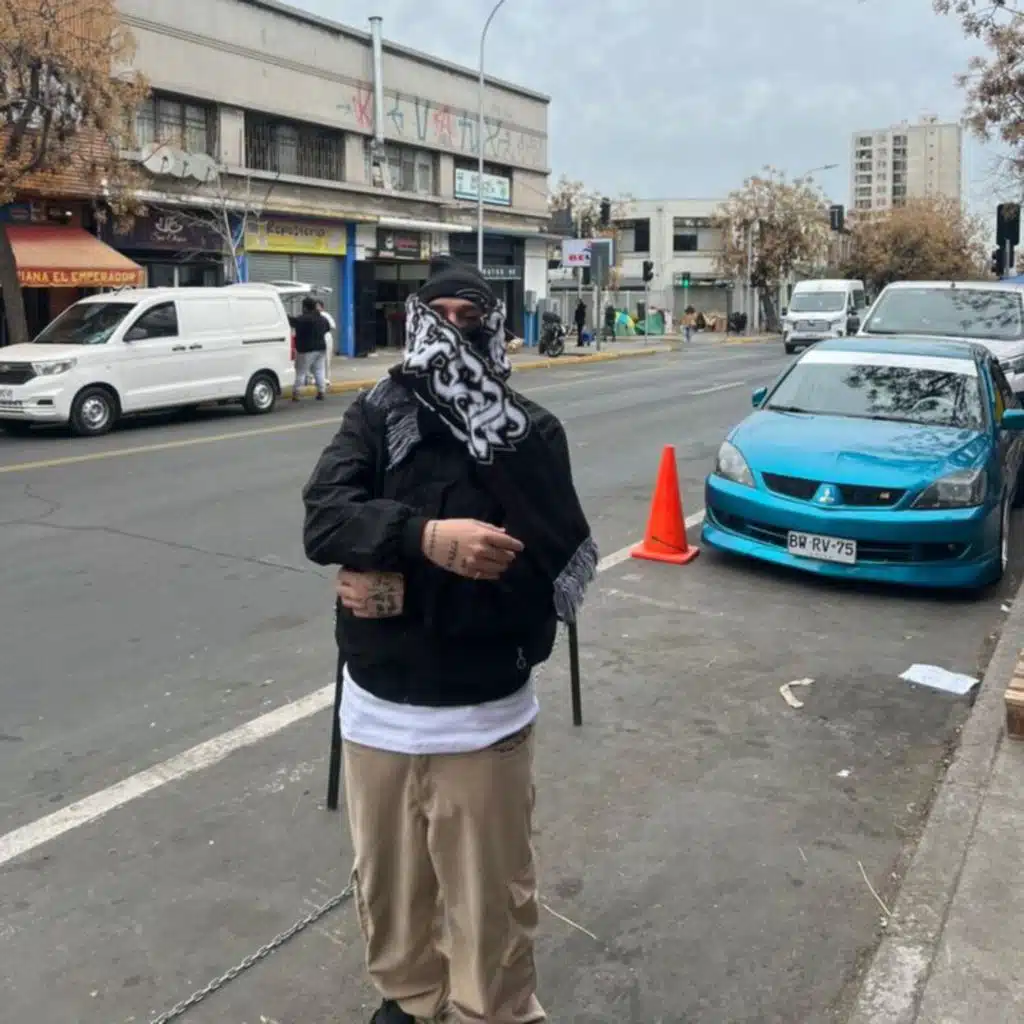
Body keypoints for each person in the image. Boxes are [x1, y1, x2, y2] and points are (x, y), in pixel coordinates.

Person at [302, 258, 597, 1024]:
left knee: (491, 913)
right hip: (376, 717)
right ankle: (411, 1002)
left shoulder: (529, 435)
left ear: (494, 326)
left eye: (471, 317)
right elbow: (324, 518)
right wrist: (422, 540)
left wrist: (401, 583)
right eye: (440, 317)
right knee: (390, 901)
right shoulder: (379, 413)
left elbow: (545, 585)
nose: (454, 333)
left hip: (480, 725)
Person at [290, 297, 330, 402]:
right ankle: (321, 392)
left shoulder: (303, 319)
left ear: (304, 307)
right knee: (319, 370)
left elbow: (292, 322)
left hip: (306, 350)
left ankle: (296, 393)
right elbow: (327, 328)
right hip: (321, 348)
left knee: (301, 371)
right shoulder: (322, 318)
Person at [317, 299, 337, 387]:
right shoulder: (313, 316)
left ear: (322, 307)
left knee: (326, 359)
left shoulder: (326, 315)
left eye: (317, 306)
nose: (316, 308)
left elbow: (333, 326)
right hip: (316, 339)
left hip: (326, 338)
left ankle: (327, 378)